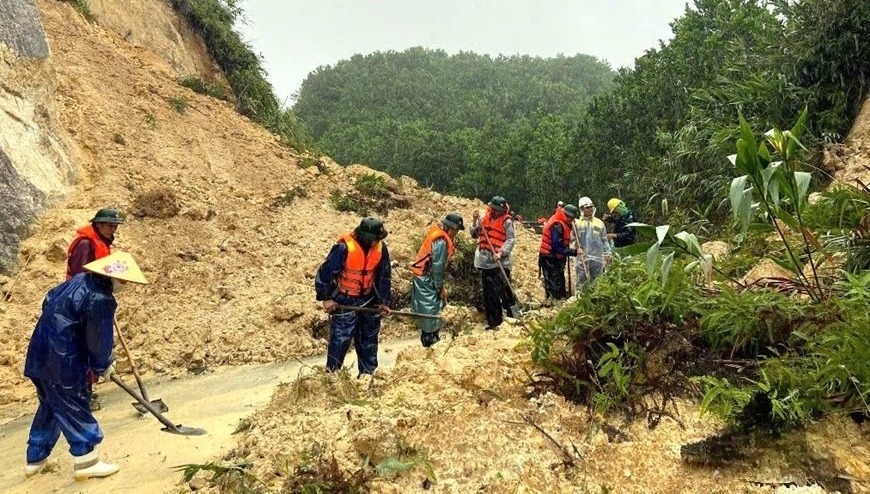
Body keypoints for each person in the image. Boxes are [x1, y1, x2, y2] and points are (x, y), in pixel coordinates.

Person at [24, 251, 149, 480]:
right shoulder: (100, 298)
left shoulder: (78, 281)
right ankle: (86, 461)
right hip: (64, 363)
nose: (126, 286)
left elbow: (48, 299)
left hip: (39, 355)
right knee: (74, 406)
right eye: (124, 281)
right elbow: (98, 339)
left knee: (50, 406)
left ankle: (35, 458)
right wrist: (103, 364)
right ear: (113, 278)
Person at [315, 217, 392, 376]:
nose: (377, 241)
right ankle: (332, 375)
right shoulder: (343, 248)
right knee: (340, 339)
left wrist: (383, 301)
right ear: (367, 237)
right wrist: (326, 298)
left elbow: (384, 276)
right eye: (375, 239)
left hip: (369, 299)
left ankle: (367, 375)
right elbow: (325, 274)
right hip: (346, 298)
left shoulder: (380, 248)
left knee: (368, 340)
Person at [410, 213, 464, 347]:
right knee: (430, 308)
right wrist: (440, 288)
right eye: (456, 231)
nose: (455, 234)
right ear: (451, 229)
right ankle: (429, 340)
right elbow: (437, 268)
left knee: (432, 307)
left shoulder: (439, 236)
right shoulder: (440, 241)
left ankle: (432, 336)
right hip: (426, 278)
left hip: (426, 277)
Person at [470, 196, 516, 330]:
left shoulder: (507, 221)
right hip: (486, 263)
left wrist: (501, 252)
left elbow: (511, 240)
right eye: (496, 210)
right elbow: (474, 234)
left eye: (500, 210)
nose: (498, 212)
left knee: (505, 292)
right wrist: (474, 221)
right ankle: (494, 323)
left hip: (500, 263)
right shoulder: (485, 218)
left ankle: (512, 319)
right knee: (490, 294)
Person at [66, 208, 125, 279]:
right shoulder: (85, 244)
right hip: (83, 287)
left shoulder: (103, 240)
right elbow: (79, 275)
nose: (113, 230)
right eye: (110, 226)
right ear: (98, 224)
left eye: (116, 226)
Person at [539, 204, 579, 302]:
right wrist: (574, 252)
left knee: (560, 280)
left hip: (556, 257)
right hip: (550, 257)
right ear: (567, 215)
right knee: (554, 283)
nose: (572, 220)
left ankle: (560, 298)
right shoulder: (557, 225)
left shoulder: (563, 222)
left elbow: (563, 241)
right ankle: (554, 303)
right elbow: (557, 247)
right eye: (572, 218)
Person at [573, 197, 611, 291]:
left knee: (597, 280)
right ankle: (580, 299)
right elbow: (572, 239)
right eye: (587, 207)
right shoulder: (577, 224)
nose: (590, 209)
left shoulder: (599, 223)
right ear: (581, 209)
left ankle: (596, 298)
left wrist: (608, 252)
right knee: (581, 279)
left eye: (591, 207)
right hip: (582, 257)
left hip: (597, 257)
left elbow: (604, 239)